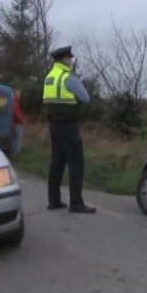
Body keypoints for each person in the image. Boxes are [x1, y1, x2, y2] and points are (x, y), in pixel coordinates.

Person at [42, 45, 96, 214]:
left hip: (54, 126)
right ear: (64, 59)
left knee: (56, 163)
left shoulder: (50, 77)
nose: (71, 61)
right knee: (76, 163)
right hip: (68, 126)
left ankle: (54, 200)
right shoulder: (68, 77)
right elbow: (86, 98)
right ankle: (76, 203)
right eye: (69, 58)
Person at [11, 88, 25, 156]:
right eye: (18, 94)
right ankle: (16, 153)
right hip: (17, 123)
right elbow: (17, 114)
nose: (19, 95)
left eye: (19, 94)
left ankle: (14, 152)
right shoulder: (15, 103)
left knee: (15, 139)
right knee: (18, 139)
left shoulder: (13, 102)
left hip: (14, 123)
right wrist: (22, 121)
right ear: (14, 94)